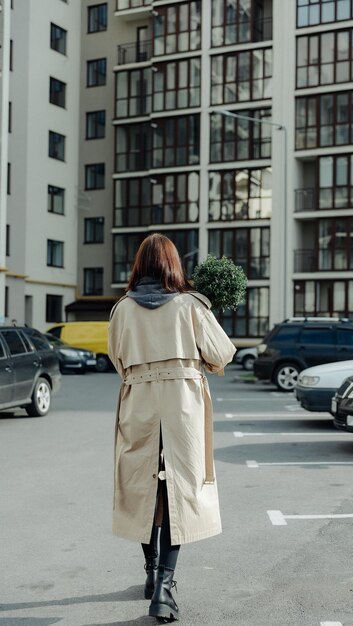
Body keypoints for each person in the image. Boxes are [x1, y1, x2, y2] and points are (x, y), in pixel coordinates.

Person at [108, 233, 236, 621]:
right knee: (180, 491)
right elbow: (222, 353)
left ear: (138, 266)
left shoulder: (121, 310)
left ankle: (150, 572)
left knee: (142, 488)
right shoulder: (192, 306)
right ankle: (164, 588)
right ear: (173, 265)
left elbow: (118, 360)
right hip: (182, 408)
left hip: (138, 405)